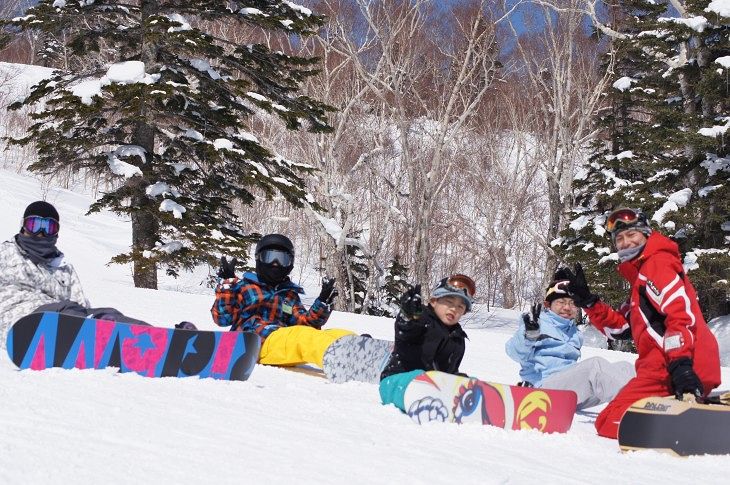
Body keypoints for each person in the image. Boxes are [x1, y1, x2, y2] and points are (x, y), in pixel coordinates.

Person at [564, 207, 722, 439]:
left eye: (632, 235)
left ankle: (686, 428)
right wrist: (589, 302)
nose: (626, 242)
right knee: (613, 419)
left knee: (611, 421)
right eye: (619, 239)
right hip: (675, 367)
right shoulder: (641, 279)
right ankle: (691, 411)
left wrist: (681, 366)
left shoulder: (657, 265)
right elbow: (621, 328)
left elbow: (680, 315)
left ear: (646, 234)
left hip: (674, 367)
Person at [0, 201, 151, 350]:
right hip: (18, 322)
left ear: (56, 232)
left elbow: (79, 306)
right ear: (23, 226)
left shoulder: (62, 266)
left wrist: (97, 318)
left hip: (61, 317)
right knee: (69, 313)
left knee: (106, 315)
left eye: (49, 227)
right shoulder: (5, 253)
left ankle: (153, 340)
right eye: (34, 225)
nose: (41, 232)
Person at [211, 233, 354, 367]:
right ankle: (339, 359)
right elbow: (223, 319)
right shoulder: (244, 287)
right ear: (259, 259)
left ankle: (357, 345)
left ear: (290, 263)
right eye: (269, 257)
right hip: (254, 342)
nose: (275, 263)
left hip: (283, 343)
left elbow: (306, 324)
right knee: (304, 338)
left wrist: (322, 303)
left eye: (282, 259)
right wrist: (227, 285)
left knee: (328, 334)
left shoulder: (290, 295)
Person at [505, 272, 635, 411]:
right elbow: (514, 353)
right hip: (542, 392)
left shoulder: (574, 332)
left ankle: (649, 404)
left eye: (572, 303)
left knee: (626, 368)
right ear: (548, 304)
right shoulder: (536, 324)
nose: (567, 307)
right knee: (595, 366)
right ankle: (633, 408)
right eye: (561, 302)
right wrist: (529, 335)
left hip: (568, 395)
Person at [379, 274, 474, 412]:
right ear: (434, 301)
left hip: (432, 389)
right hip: (396, 384)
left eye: (460, 307)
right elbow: (406, 330)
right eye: (449, 301)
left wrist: (458, 382)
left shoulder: (458, 339)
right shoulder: (422, 318)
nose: (454, 309)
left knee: (468, 382)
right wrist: (408, 316)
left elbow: (448, 372)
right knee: (422, 378)